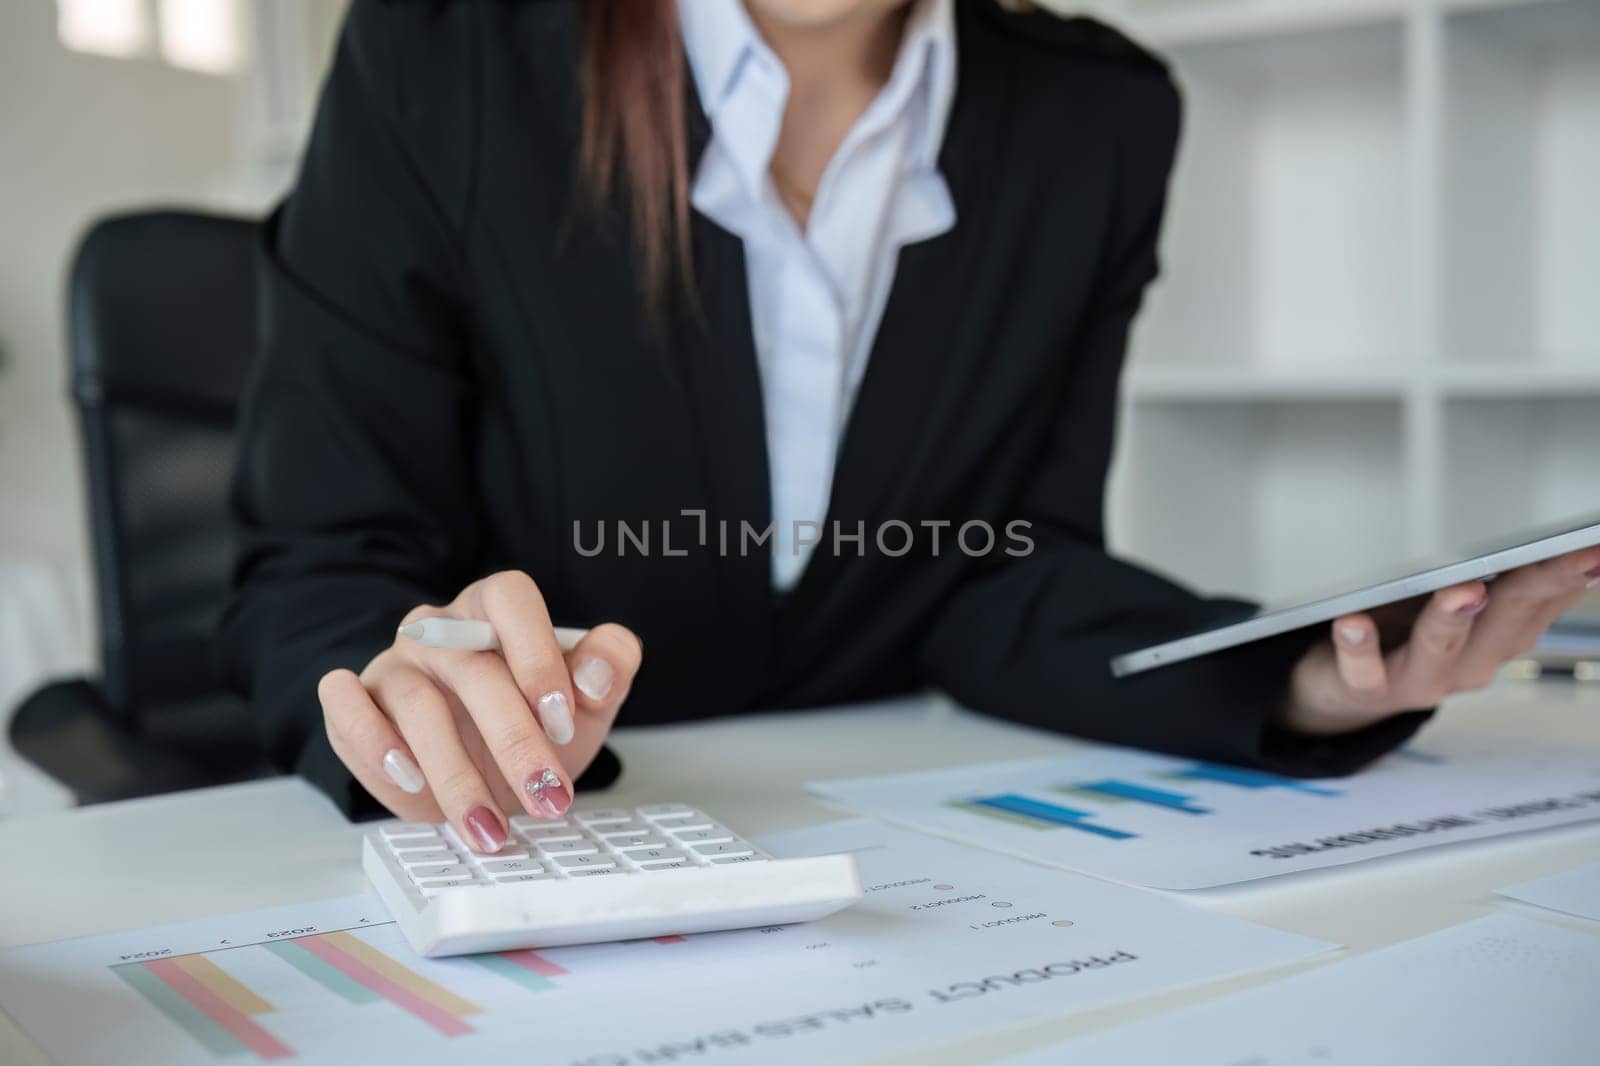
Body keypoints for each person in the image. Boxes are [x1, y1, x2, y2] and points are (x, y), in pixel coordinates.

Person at [221, 0, 1600, 855]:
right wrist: (419, 702)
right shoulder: (442, 54)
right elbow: (317, 567)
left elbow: (1007, 568)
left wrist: (1299, 683)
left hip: (892, 856)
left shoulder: (1099, 119)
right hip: (555, 855)